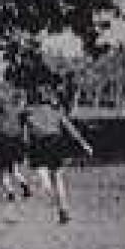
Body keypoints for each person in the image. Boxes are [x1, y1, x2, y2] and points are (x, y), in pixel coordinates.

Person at [21, 85, 93, 224]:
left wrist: (25, 150)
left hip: (39, 145)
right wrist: (84, 144)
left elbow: (25, 135)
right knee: (58, 178)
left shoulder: (28, 112)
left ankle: (48, 196)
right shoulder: (56, 111)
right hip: (56, 143)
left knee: (44, 179)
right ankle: (63, 210)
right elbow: (70, 128)